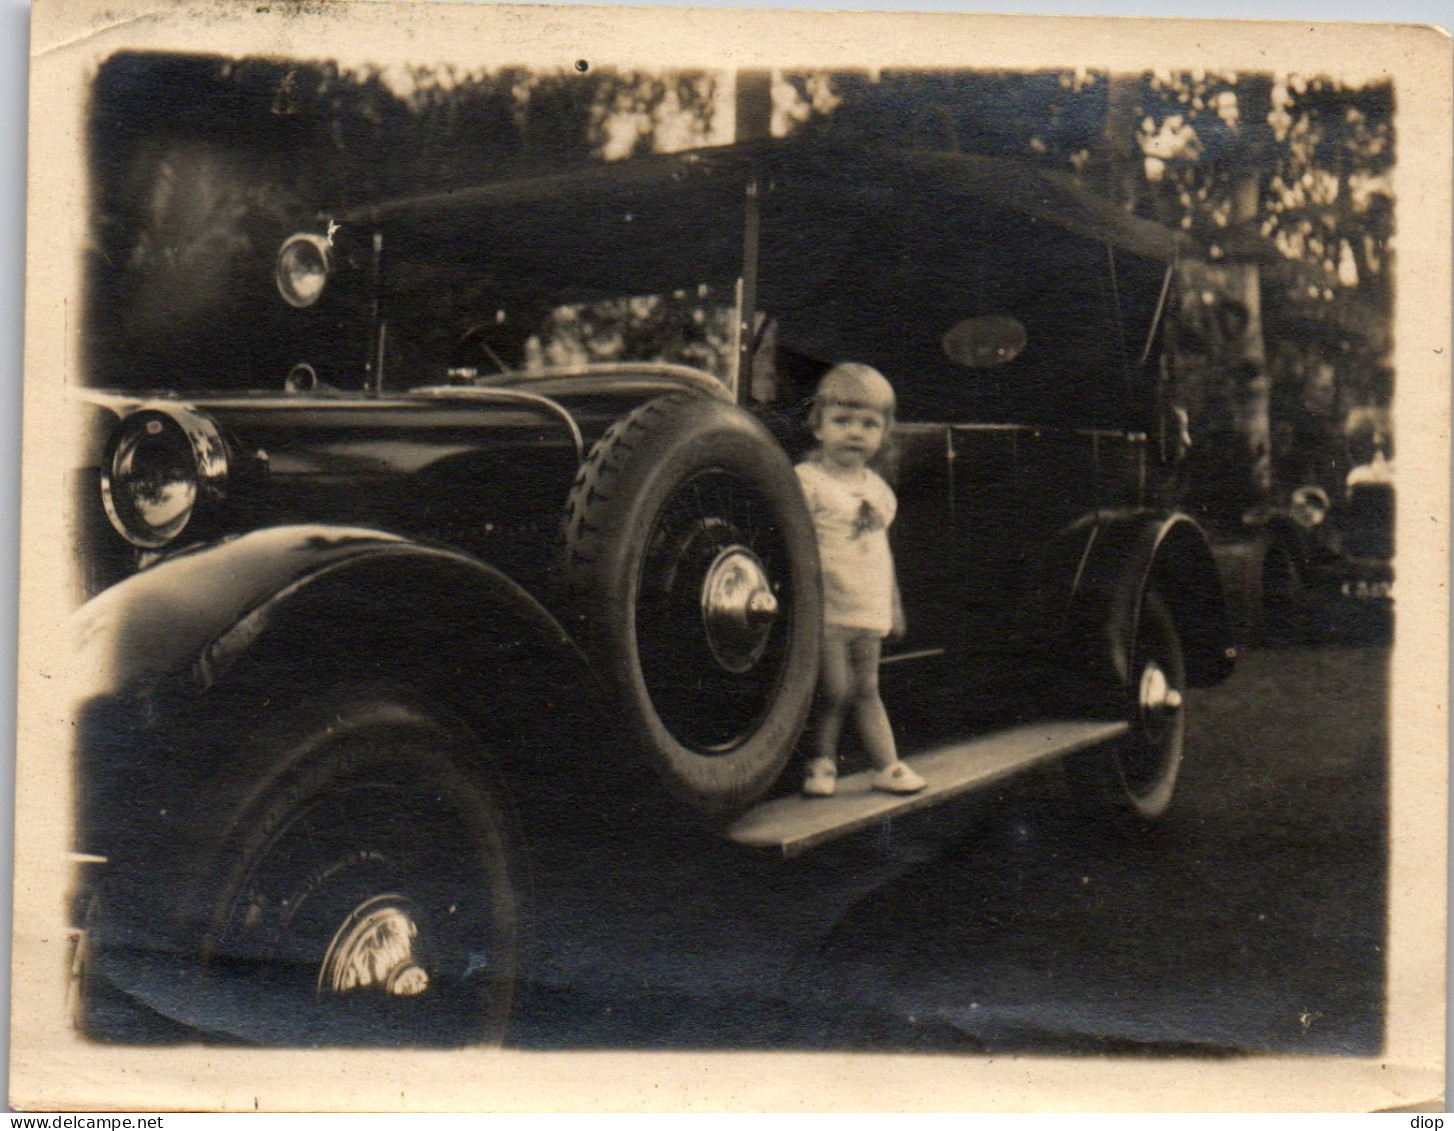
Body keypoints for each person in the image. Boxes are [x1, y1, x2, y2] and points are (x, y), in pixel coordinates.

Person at [796, 363, 927, 798]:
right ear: (818, 427)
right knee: (834, 689)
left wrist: (894, 605)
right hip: (828, 607)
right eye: (842, 421)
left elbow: (881, 555)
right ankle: (821, 763)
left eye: (869, 424)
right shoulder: (807, 482)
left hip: (866, 608)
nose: (855, 433)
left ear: (884, 434)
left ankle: (886, 765)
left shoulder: (879, 491)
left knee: (868, 688)